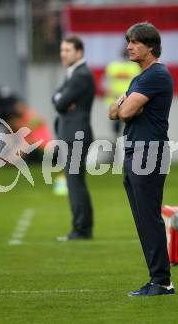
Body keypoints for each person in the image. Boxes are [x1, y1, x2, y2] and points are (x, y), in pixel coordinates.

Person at [108, 22, 174, 296]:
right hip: (136, 150)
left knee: (149, 218)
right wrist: (124, 105)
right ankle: (156, 279)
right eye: (129, 41)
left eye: (135, 42)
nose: (129, 46)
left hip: (149, 152)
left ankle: (162, 281)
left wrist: (125, 105)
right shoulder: (139, 78)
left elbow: (123, 112)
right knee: (142, 219)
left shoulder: (155, 75)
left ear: (150, 47)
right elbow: (113, 111)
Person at [52, 35, 95, 241]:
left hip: (75, 135)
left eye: (67, 50)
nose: (63, 54)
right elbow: (57, 97)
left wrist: (62, 99)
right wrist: (61, 98)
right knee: (75, 182)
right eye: (62, 50)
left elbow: (60, 102)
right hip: (73, 134)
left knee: (74, 183)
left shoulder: (80, 75)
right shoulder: (74, 73)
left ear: (79, 52)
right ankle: (82, 227)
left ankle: (81, 229)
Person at [104, 49, 140, 139]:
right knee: (128, 122)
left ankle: (116, 141)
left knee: (117, 124)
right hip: (128, 99)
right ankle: (125, 140)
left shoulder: (112, 66)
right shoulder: (135, 66)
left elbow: (105, 83)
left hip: (116, 99)